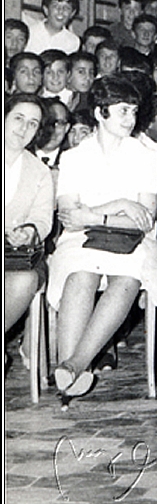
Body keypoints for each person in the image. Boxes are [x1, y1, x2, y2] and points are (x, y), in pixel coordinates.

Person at [47, 76, 157, 401]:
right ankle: (75, 373)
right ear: (101, 114)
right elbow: (69, 217)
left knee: (127, 279)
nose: (131, 120)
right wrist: (119, 204)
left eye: (134, 111)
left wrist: (94, 215)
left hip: (132, 242)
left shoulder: (146, 156)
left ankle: (74, 365)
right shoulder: (74, 157)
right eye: (123, 112)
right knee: (80, 273)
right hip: (81, 239)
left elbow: (142, 221)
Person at [4, 94, 53, 342]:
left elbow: (43, 219)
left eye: (33, 123)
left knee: (26, 280)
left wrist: (29, 231)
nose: (24, 128)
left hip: (13, 255)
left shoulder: (40, 171)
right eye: (18, 118)